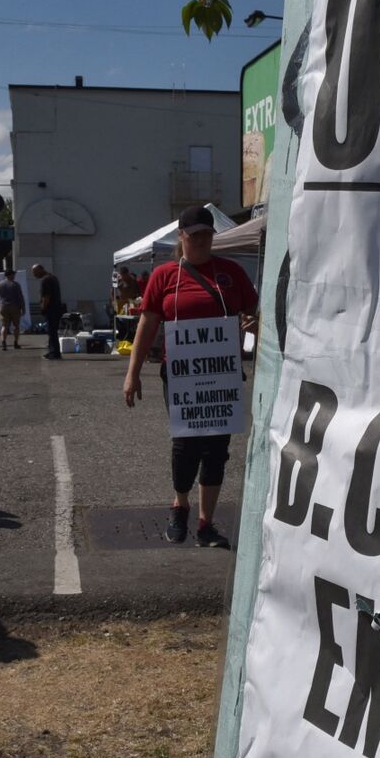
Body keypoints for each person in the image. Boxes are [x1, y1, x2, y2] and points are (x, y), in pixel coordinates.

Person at [122, 205, 259, 549]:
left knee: (217, 449)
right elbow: (147, 324)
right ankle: (180, 504)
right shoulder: (164, 276)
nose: (200, 241)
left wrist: (254, 323)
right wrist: (132, 374)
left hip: (223, 373)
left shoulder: (231, 273)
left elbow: (254, 311)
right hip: (181, 374)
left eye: (206, 235)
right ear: (181, 236)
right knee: (186, 444)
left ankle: (206, 524)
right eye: (194, 235)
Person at [31, 263, 65, 359]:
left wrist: (43, 308)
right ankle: (52, 351)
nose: (34, 275)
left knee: (52, 332)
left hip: (51, 309)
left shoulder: (46, 280)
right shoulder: (53, 277)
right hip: (57, 309)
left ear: (41, 269)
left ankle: (55, 353)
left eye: (35, 272)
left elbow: (47, 297)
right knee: (52, 331)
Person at [0, 271, 25, 349]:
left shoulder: (0, 284)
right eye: (13, 274)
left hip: (3, 306)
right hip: (14, 306)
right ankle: (15, 343)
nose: (14, 275)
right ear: (10, 275)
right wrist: (23, 308)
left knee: (4, 326)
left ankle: (4, 343)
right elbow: (20, 297)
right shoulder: (16, 284)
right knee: (16, 326)